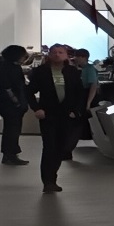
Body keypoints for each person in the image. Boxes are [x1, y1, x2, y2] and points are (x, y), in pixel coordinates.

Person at [27, 44, 88, 193]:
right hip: (48, 114)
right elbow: (29, 91)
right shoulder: (41, 72)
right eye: (54, 52)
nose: (57, 55)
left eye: (61, 52)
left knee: (61, 147)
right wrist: (36, 108)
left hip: (66, 115)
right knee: (49, 147)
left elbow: (80, 93)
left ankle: (53, 176)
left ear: (66, 55)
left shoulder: (72, 72)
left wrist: (76, 111)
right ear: (49, 55)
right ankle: (48, 181)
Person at [0, 45, 31, 166]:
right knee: (12, 130)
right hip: (11, 105)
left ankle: (10, 154)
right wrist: (17, 102)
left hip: (11, 104)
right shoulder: (9, 68)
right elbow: (7, 87)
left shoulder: (9, 67)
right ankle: (10, 154)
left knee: (12, 129)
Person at [65, 47, 99, 160]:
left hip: (85, 95)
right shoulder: (77, 69)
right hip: (78, 96)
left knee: (77, 124)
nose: (76, 59)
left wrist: (88, 103)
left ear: (84, 57)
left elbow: (93, 86)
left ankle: (68, 149)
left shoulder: (90, 69)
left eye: (78, 57)